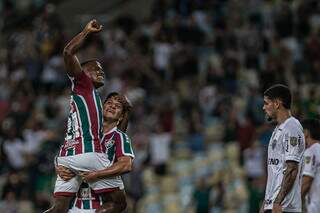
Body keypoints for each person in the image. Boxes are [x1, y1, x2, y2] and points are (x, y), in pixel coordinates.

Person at [45, 19, 112, 213]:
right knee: (118, 202)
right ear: (83, 71)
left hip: (69, 154)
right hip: (88, 153)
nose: (101, 72)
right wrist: (86, 32)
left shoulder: (92, 97)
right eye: (96, 68)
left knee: (59, 208)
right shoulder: (82, 83)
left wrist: (59, 162)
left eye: (102, 69)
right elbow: (67, 52)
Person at [56, 92, 134, 212]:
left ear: (121, 117)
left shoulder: (119, 137)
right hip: (75, 204)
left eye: (117, 106)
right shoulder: (82, 133)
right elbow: (65, 154)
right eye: (109, 103)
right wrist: (58, 167)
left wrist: (97, 175)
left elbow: (126, 165)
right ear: (101, 108)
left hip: (102, 204)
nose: (112, 106)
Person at [259, 84, 305, 213]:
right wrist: (266, 202)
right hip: (273, 204)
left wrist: (278, 202)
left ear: (277, 103)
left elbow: (292, 169)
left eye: (266, 103)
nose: (263, 107)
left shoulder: (291, 127)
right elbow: (276, 171)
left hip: (284, 207)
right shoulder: (279, 129)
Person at [301, 118, 320, 213]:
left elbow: (306, 181)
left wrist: (294, 203)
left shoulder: (310, 151)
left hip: (315, 206)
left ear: (306, 132)